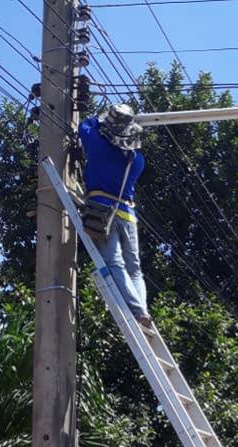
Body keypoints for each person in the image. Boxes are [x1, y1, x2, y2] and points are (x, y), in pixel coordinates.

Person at [78, 104, 151, 328]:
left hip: (102, 209)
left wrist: (105, 117)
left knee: (114, 262)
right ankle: (143, 310)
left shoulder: (97, 144)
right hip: (128, 215)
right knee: (134, 268)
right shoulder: (136, 160)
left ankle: (137, 311)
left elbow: (85, 125)